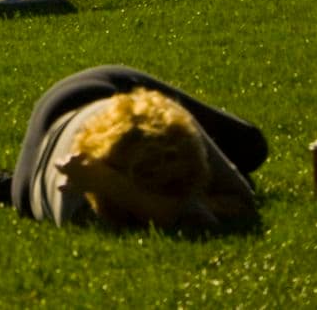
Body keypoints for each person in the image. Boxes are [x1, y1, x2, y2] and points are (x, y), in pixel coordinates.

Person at [13, 65, 265, 231]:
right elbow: (194, 222)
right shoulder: (78, 192)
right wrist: (111, 185)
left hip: (108, 90)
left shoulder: (176, 133)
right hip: (61, 115)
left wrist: (117, 187)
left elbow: (244, 202)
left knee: (251, 147)